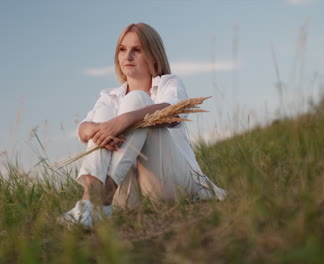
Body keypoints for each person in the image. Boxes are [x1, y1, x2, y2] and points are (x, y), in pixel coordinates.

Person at [59, 23, 226, 228]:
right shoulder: (109, 96)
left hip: (168, 184)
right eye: (122, 49)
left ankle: (103, 194)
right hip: (129, 196)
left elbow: (172, 113)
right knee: (101, 117)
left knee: (138, 100)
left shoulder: (168, 83)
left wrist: (125, 120)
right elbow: (83, 129)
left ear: (154, 56)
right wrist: (98, 130)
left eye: (136, 50)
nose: (127, 56)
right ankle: (92, 199)